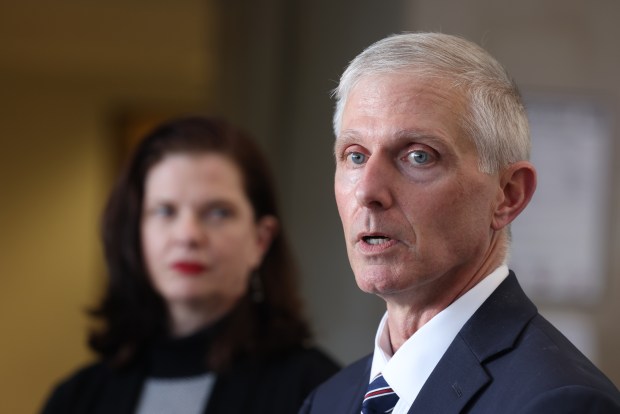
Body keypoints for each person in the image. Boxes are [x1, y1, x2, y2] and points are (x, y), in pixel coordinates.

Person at [301, 32, 620, 413]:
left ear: (508, 195)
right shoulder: (328, 400)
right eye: (355, 156)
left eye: (418, 156)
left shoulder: (559, 402)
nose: (367, 190)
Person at [41, 116, 339, 414]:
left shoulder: (320, 391)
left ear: (260, 240)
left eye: (218, 212)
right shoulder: (76, 399)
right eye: (165, 211)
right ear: (135, 234)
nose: (188, 235)